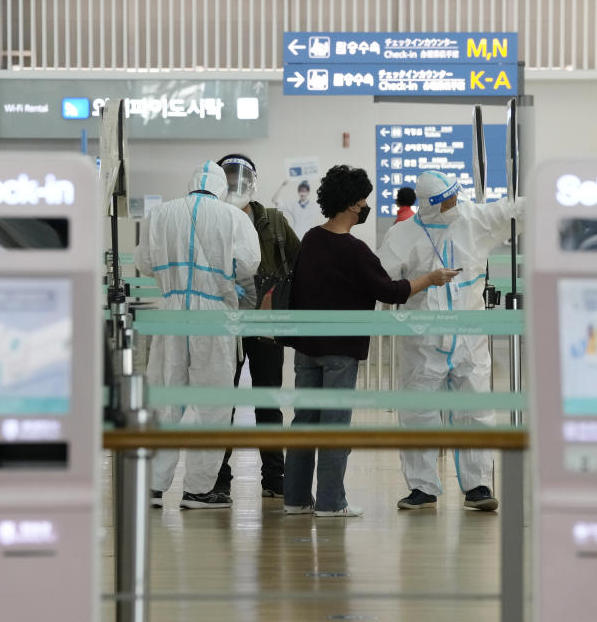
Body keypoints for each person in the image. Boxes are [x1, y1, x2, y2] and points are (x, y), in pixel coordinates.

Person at [283, 165, 460, 518]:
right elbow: (392, 291)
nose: (366, 206)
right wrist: (431, 278)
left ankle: (296, 499)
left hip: (305, 349)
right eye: (364, 200)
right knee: (335, 427)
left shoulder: (312, 240)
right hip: (340, 351)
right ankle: (332, 503)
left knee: (303, 423)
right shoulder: (354, 249)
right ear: (351, 205)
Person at [379, 169, 523, 512]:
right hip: (423, 339)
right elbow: (382, 277)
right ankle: (422, 487)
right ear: (429, 207)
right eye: (447, 201)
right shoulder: (402, 235)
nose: (455, 204)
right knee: (418, 412)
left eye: (456, 196)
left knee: (476, 409)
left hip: (469, 337)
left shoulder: (475, 220)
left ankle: (478, 486)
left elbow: (515, 209)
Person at [134, 161, 261, 509]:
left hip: (171, 312)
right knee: (213, 404)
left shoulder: (160, 215)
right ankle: (199, 490)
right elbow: (250, 263)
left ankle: (153, 487)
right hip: (214, 316)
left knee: (164, 400)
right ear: (222, 188)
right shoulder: (234, 216)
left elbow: (143, 263)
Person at [213, 153, 300, 499]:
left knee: (267, 400)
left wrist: (281, 298)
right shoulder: (211, 217)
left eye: (241, 177)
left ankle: (274, 477)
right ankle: (219, 476)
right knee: (224, 402)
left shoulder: (274, 221)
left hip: (265, 321)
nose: (236, 183)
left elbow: (299, 260)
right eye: (229, 177)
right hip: (224, 322)